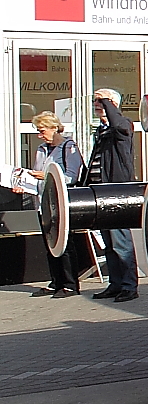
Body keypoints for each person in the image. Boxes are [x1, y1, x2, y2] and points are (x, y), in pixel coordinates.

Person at [24, 112, 84, 297]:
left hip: (60, 202)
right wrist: (25, 183)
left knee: (64, 243)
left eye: (42, 131)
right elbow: (38, 175)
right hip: (43, 202)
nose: (40, 135)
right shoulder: (42, 149)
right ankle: (56, 281)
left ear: (54, 128)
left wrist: (47, 175)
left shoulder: (68, 147)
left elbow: (71, 177)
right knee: (50, 244)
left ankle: (70, 284)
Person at [88, 88, 139, 302]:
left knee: (121, 242)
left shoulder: (123, 126)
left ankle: (129, 286)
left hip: (116, 194)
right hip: (100, 193)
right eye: (95, 101)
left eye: (101, 101)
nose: (97, 105)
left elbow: (118, 125)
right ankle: (115, 283)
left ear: (113, 105)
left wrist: (108, 104)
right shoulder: (102, 131)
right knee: (109, 243)